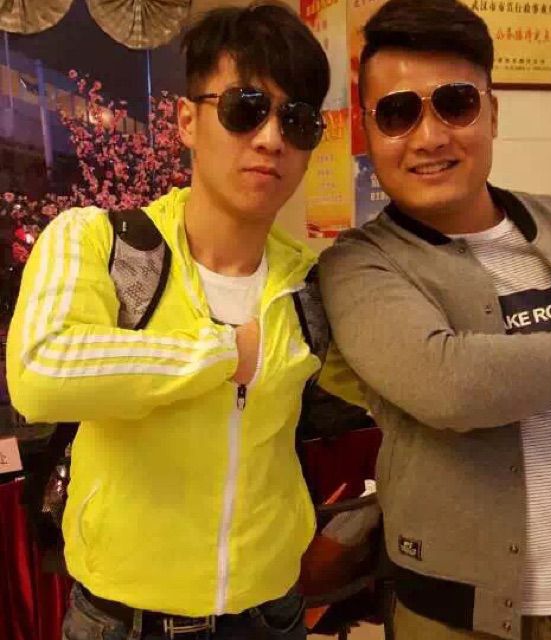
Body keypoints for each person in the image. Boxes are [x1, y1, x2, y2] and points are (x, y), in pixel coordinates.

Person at [7, 3, 360, 639]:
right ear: (187, 121)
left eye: (298, 120)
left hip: (269, 613)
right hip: (123, 620)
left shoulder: (310, 284)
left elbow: (390, 389)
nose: (271, 138)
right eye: (245, 108)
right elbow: (39, 371)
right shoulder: (99, 242)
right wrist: (223, 352)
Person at [318, 0, 551, 638]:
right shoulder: (359, 264)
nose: (430, 137)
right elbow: (452, 384)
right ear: (369, 130)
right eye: (398, 113)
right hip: (457, 620)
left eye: (456, 104)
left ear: (493, 112)